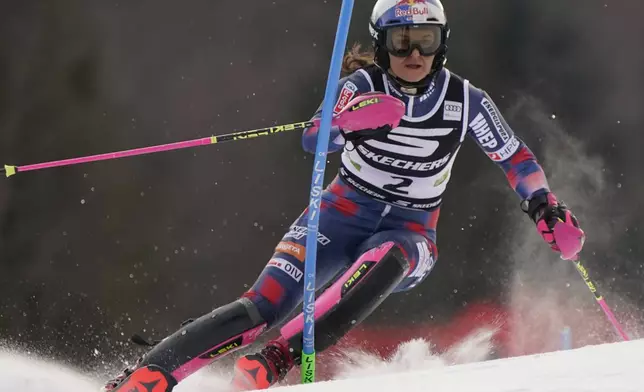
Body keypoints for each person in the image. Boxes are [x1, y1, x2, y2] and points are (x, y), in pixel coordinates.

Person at [102, 0, 585, 390]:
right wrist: (342, 124)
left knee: (389, 256)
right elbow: (313, 138)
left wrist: (543, 203)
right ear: (382, 45)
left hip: (411, 231)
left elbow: (515, 157)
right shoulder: (359, 85)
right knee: (262, 306)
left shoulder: (466, 101)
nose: (413, 54)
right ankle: (149, 375)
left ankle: (274, 360)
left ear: (442, 44)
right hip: (338, 215)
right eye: (401, 43)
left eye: (425, 41)